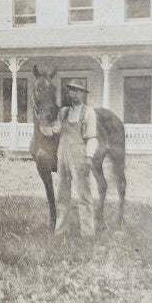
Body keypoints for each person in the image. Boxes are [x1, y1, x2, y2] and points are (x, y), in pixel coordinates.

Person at [50, 80, 98, 237]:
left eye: (78, 91)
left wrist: (89, 158)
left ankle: (88, 233)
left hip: (79, 156)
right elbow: (55, 130)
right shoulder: (63, 112)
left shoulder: (88, 112)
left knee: (83, 194)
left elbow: (92, 138)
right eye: (72, 90)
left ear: (83, 94)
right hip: (62, 155)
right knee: (62, 194)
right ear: (68, 93)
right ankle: (60, 231)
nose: (75, 94)